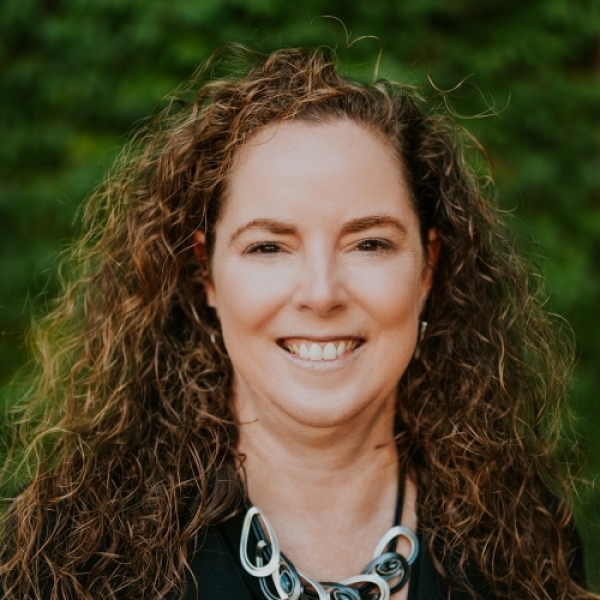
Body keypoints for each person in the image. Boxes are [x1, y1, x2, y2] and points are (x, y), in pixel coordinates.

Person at [0, 45, 595, 600]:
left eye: (369, 244)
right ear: (205, 273)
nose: (320, 293)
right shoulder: (76, 552)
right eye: (268, 247)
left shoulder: (522, 537)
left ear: (426, 270)